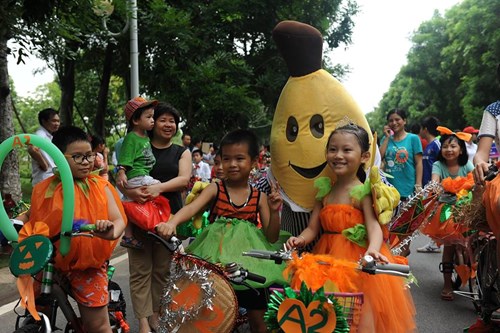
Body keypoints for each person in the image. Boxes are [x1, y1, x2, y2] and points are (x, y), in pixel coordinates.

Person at [285, 124, 416, 333]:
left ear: (364, 156)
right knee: (327, 315)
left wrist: (373, 250)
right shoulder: (324, 191)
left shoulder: (362, 192)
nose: (338, 155)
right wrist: (300, 239)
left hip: (358, 262)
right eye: (333, 149)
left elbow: (374, 227)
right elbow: (312, 228)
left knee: (361, 318)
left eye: (346, 150)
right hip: (325, 260)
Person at [157, 129, 285, 333]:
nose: (232, 164)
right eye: (226, 159)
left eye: (239, 158)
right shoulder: (216, 189)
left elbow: (271, 237)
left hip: (250, 266)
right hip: (215, 261)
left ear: (253, 163)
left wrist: (275, 211)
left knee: (259, 321)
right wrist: (172, 223)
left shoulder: (259, 197)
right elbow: (191, 208)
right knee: (210, 317)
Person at [17, 126, 127, 333]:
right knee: (35, 311)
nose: (86, 162)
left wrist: (110, 230)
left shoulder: (99, 186)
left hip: (87, 264)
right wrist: (15, 222)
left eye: (89, 156)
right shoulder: (45, 188)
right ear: (58, 156)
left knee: (98, 326)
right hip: (50, 262)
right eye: (77, 157)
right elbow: (32, 215)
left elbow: (118, 220)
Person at [119, 102, 192, 333]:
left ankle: (156, 315)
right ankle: (142, 321)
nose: (168, 124)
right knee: (140, 270)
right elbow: (122, 177)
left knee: (161, 270)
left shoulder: (181, 151)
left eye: (172, 121)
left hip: (168, 219)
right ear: (150, 122)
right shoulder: (137, 143)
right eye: (162, 120)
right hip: (140, 216)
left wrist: (157, 189)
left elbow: (183, 180)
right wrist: (131, 192)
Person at [423, 126, 473, 301]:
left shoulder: (466, 164)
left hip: (466, 208)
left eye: (453, 146)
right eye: (445, 146)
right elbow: (434, 182)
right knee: (449, 245)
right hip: (446, 209)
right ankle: (446, 284)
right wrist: (435, 188)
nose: (449, 150)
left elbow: (474, 180)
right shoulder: (438, 165)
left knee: (474, 242)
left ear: (461, 150)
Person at [116, 96, 159, 250]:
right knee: (158, 188)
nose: (152, 120)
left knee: (129, 205)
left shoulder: (145, 137)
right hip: (137, 176)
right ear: (135, 120)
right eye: (148, 117)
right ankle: (155, 226)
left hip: (141, 175)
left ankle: (128, 236)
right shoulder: (131, 138)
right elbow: (125, 158)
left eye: (153, 117)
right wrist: (121, 172)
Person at [380, 108, 423, 200]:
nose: (394, 123)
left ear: (404, 121)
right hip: (389, 190)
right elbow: (379, 157)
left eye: (397, 119)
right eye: (391, 121)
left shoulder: (413, 138)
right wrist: (387, 137)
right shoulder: (385, 140)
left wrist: (418, 184)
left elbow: (419, 163)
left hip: (408, 189)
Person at [417, 116, 442, 253]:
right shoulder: (428, 146)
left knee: (434, 215)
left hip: (437, 187)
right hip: (428, 186)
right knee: (430, 215)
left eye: (421, 128)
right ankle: (434, 241)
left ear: (425, 129)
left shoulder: (437, 144)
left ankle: (435, 242)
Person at [28, 108, 60, 185]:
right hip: (44, 178)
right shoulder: (40, 135)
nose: (57, 124)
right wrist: (45, 165)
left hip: (49, 177)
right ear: (44, 121)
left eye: (58, 121)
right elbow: (32, 149)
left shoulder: (48, 136)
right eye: (53, 121)